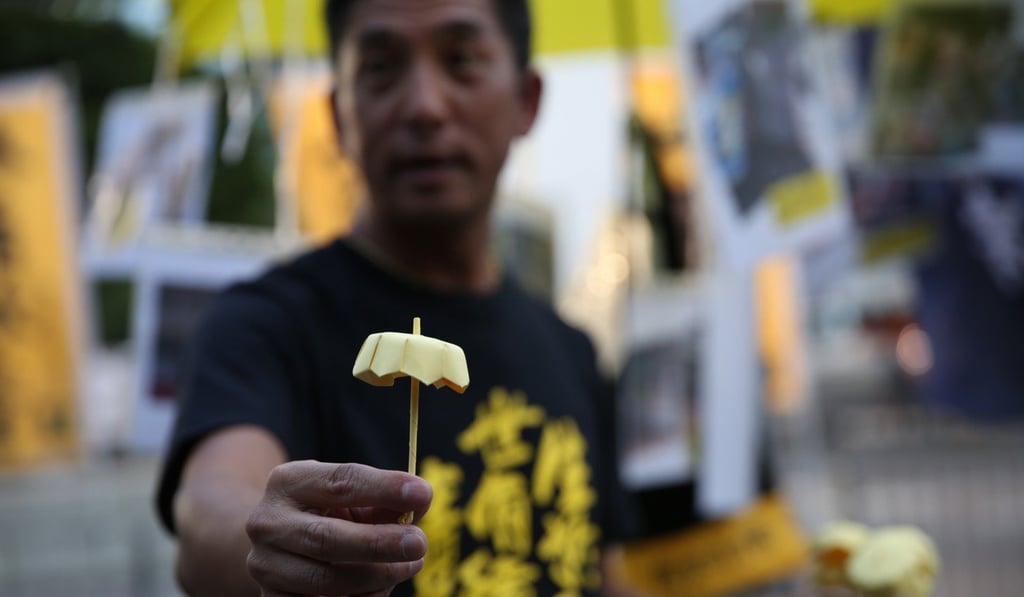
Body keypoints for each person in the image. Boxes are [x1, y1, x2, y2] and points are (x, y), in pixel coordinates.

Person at [156, 0, 636, 595]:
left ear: (525, 100)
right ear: (338, 114)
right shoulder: (262, 324)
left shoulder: (573, 352)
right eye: (381, 68)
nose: (425, 107)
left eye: (461, 60)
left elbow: (602, 570)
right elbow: (211, 511)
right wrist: (272, 544)